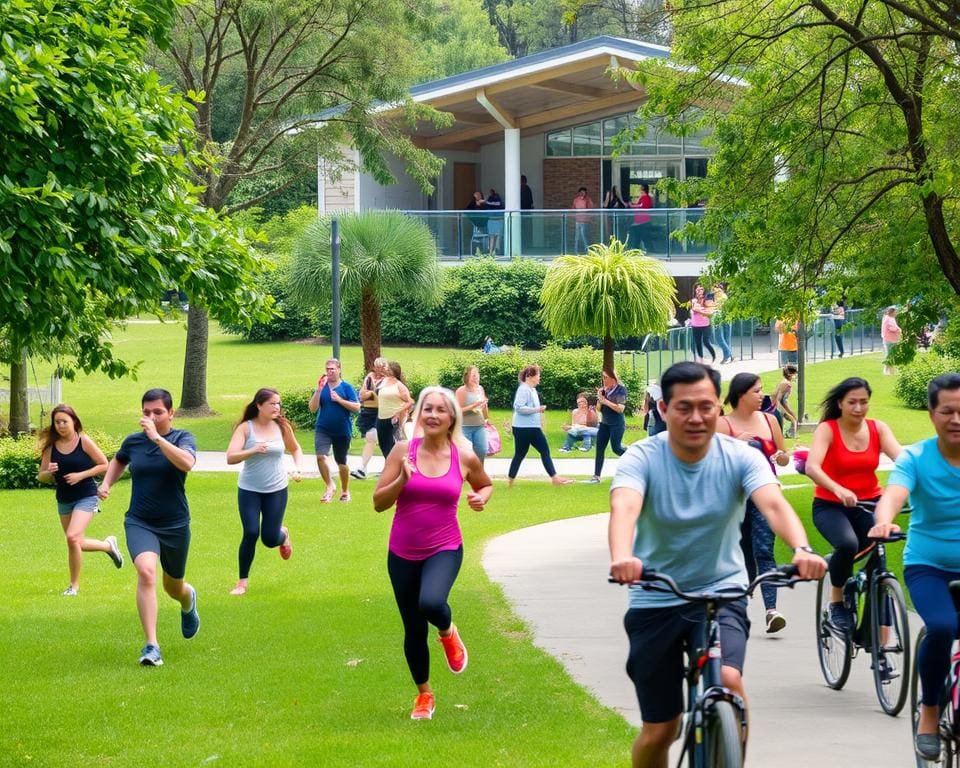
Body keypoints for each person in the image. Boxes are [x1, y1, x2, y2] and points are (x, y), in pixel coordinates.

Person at [608, 361, 826, 768]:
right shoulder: (642, 456)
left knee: (729, 683)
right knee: (662, 730)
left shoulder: (741, 456)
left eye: (706, 406)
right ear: (663, 408)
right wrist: (622, 556)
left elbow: (774, 504)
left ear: (718, 407)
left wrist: (801, 547)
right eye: (684, 407)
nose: (696, 417)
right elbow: (624, 506)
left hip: (723, 591)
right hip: (657, 597)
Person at [373, 386, 493, 721]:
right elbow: (378, 503)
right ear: (418, 414)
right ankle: (424, 695)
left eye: (441, 409)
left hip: (445, 547)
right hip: (402, 552)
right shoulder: (401, 452)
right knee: (412, 629)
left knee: (431, 603)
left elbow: (485, 484)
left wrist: (482, 498)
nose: (433, 415)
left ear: (452, 416)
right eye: (427, 408)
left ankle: (447, 631)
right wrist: (401, 481)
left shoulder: (464, 456)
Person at [868, 373, 960, 760]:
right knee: (942, 627)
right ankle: (929, 709)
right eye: (947, 411)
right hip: (929, 565)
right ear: (931, 414)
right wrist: (884, 519)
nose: (956, 419)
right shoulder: (917, 458)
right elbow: (893, 495)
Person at [97, 388, 199, 667]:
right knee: (146, 571)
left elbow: (187, 463)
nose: (151, 417)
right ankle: (152, 645)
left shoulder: (182, 438)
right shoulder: (134, 442)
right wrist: (106, 484)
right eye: (146, 412)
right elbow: (119, 460)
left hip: (175, 523)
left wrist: (157, 438)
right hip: (140, 520)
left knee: (173, 586)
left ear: (171, 413)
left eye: (157, 412)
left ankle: (188, 599)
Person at [805, 378, 901, 635]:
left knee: (883, 543)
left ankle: (880, 632)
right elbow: (812, 467)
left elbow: (903, 461)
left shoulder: (878, 428)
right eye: (852, 402)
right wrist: (837, 488)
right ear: (840, 404)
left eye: (864, 402)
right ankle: (837, 602)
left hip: (869, 504)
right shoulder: (828, 429)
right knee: (847, 544)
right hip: (830, 506)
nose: (858, 408)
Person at [717, 374, 792, 633]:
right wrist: (734, 443)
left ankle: (772, 610)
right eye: (757, 391)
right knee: (739, 551)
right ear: (740, 394)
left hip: (764, 494)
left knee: (763, 549)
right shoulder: (723, 424)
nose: (763, 396)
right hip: (734, 498)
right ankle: (738, 604)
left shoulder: (771, 420)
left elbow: (782, 457)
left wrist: (782, 457)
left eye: (761, 391)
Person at [225, 388, 304, 596]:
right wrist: (253, 450)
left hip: (277, 489)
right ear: (259, 405)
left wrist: (297, 468)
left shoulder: (282, 427)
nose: (277, 407)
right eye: (272, 403)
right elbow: (230, 457)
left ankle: (283, 534)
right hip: (249, 489)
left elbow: (295, 449)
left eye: (278, 403)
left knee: (269, 539)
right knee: (251, 532)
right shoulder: (246, 428)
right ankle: (242, 583)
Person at [38, 405, 120, 595]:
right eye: (57, 422)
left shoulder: (83, 441)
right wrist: (48, 473)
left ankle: (73, 587)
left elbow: (103, 464)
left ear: (74, 421)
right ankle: (108, 546)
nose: (60, 425)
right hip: (64, 499)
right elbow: (40, 476)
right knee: (75, 541)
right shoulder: (51, 447)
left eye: (64, 421)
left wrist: (80, 475)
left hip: (86, 495)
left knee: (72, 537)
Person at [508, 365, 573, 486]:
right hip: (526, 428)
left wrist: (539, 416)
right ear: (530, 376)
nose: (539, 377)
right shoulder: (524, 389)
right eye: (538, 375)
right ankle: (555, 478)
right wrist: (537, 410)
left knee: (520, 454)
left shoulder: (531, 389)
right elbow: (519, 407)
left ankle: (510, 482)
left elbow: (530, 409)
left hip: (527, 427)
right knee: (543, 450)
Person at [309, 358, 360, 503]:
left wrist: (339, 400)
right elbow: (312, 408)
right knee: (320, 457)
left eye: (332, 369)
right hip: (323, 428)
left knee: (341, 462)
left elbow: (357, 408)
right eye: (327, 369)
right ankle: (330, 485)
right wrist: (318, 390)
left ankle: (345, 490)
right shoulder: (322, 387)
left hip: (342, 430)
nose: (330, 372)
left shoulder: (346, 387)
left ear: (339, 370)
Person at [584, 369, 628, 484]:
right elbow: (599, 409)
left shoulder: (620, 390)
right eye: (602, 377)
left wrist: (605, 401)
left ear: (613, 378)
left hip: (617, 424)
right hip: (604, 423)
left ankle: (633, 455)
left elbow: (620, 409)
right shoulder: (604, 390)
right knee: (599, 449)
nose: (603, 380)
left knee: (616, 448)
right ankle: (596, 477)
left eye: (606, 377)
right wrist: (599, 398)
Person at [352, 357, 388, 480]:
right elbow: (362, 396)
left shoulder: (390, 380)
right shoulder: (369, 378)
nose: (380, 370)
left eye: (383, 367)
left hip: (384, 412)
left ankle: (389, 468)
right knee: (371, 437)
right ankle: (363, 468)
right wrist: (372, 394)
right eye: (378, 367)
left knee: (386, 441)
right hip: (369, 412)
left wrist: (371, 394)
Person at [376, 361, 414, 461]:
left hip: (393, 418)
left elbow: (410, 402)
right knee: (383, 444)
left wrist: (398, 412)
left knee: (392, 444)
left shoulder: (399, 385)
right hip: (381, 417)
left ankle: (396, 465)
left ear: (393, 370)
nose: (385, 369)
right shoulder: (383, 381)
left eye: (388, 368)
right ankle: (389, 464)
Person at [455, 365, 490, 464]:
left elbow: (483, 407)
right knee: (465, 454)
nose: (476, 377)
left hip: (479, 425)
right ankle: (463, 475)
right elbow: (458, 410)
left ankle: (478, 474)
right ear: (467, 377)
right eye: (473, 375)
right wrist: (474, 405)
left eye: (477, 374)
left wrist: (486, 413)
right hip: (465, 427)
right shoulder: (461, 390)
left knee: (482, 451)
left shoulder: (480, 389)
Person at [767, 364, 799, 437]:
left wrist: (790, 412)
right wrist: (786, 413)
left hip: (775, 404)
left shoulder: (785, 382)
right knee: (793, 420)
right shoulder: (786, 384)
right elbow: (778, 399)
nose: (796, 376)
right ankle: (789, 434)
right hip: (774, 406)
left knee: (793, 419)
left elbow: (783, 401)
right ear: (790, 374)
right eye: (795, 374)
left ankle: (789, 433)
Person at [689, 285, 716, 364]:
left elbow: (710, 312)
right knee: (698, 342)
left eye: (701, 289)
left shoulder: (707, 300)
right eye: (698, 290)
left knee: (706, 341)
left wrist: (701, 311)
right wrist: (702, 311)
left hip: (705, 325)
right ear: (695, 291)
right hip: (695, 325)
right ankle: (701, 359)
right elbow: (694, 310)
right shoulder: (694, 301)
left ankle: (713, 356)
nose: (700, 291)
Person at [712, 284, 734, 364]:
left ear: (721, 290)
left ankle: (728, 355)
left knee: (720, 338)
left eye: (717, 290)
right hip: (724, 318)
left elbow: (718, 307)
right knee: (724, 339)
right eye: (714, 290)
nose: (715, 292)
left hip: (723, 318)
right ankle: (728, 357)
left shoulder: (723, 297)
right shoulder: (716, 297)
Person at [627, 184, 653, 251]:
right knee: (639, 236)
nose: (639, 190)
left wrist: (632, 206)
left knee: (642, 236)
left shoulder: (646, 198)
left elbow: (642, 206)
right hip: (639, 222)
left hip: (643, 221)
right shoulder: (643, 197)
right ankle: (636, 249)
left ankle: (647, 249)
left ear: (643, 190)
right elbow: (640, 205)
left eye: (641, 189)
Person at [571, 186, 595, 254]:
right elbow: (573, 208)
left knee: (584, 236)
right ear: (579, 193)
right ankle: (576, 251)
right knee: (577, 237)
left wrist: (589, 218)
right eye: (581, 192)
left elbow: (591, 208)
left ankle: (588, 251)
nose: (583, 194)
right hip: (577, 221)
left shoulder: (588, 199)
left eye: (584, 192)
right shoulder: (576, 200)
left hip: (585, 221)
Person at [881, 306, 902, 375]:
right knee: (890, 355)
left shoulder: (888, 318)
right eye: (895, 312)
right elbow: (892, 328)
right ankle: (890, 371)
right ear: (892, 312)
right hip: (890, 339)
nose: (896, 313)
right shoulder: (889, 319)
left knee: (890, 355)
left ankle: (888, 371)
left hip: (891, 339)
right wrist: (898, 330)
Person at [485, 188, 504, 256]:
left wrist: (486, 201)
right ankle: (493, 252)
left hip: (493, 220)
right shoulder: (497, 201)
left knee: (493, 237)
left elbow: (495, 204)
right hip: (497, 220)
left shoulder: (491, 200)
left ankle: (491, 252)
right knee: (495, 237)